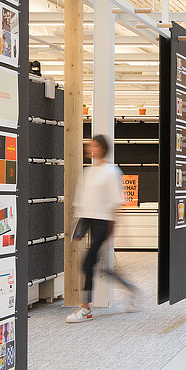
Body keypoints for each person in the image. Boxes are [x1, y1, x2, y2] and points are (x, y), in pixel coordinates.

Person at [66, 135, 141, 323]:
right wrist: (79, 229)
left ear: (103, 148)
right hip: (89, 221)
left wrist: (112, 227)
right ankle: (131, 289)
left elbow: (116, 201)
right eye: (90, 145)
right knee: (99, 266)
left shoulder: (111, 171)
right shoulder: (88, 172)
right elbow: (83, 203)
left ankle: (85, 308)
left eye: (95, 145)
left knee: (87, 263)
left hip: (103, 221)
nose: (91, 148)